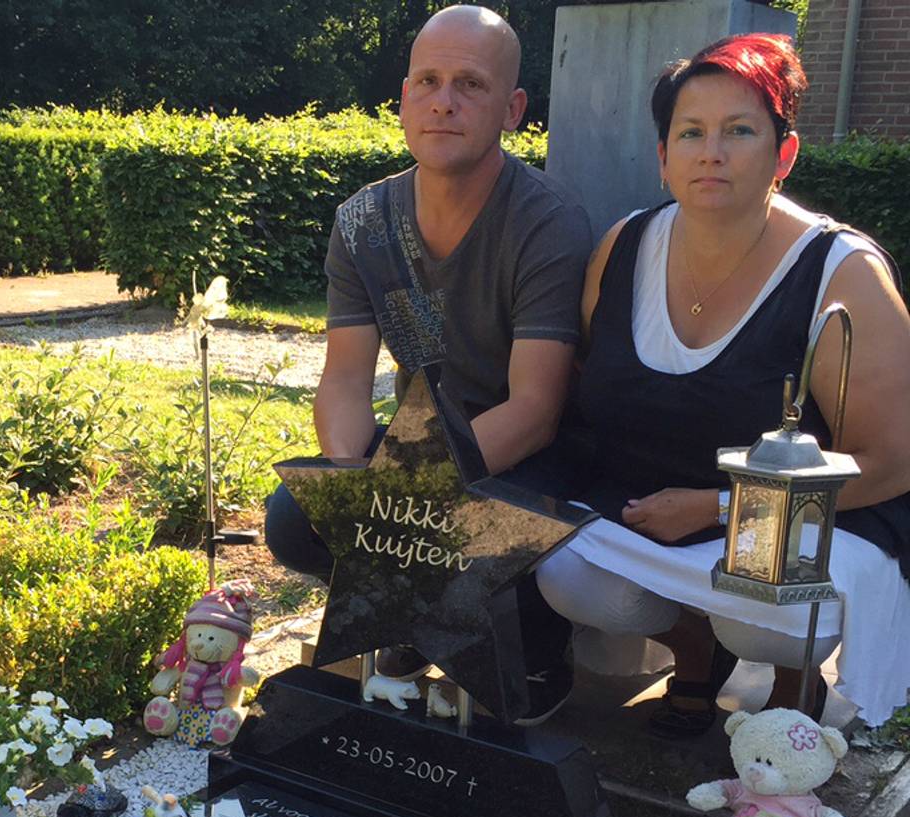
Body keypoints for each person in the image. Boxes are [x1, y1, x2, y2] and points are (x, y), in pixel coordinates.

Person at [536, 34, 910, 737]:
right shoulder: (622, 247)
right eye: (691, 132)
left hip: (804, 525)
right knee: (568, 575)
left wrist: (716, 507)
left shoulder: (842, 272)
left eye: (739, 131)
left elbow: (891, 459)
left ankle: (794, 679)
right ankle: (693, 647)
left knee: (767, 611)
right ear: (664, 157)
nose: (712, 152)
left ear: (784, 154)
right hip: (647, 503)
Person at [264, 4, 593, 724]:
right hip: (421, 445)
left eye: (470, 85)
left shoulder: (547, 222)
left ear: (511, 109)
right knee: (296, 518)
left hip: (530, 454)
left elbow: (536, 410)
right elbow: (347, 378)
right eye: (428, 81)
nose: (444, 101)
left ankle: (534, 655)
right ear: (404, 97)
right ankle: (411, 621)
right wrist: (357, 493)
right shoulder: (362, 220)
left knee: (496, 528)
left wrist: (419, 508)